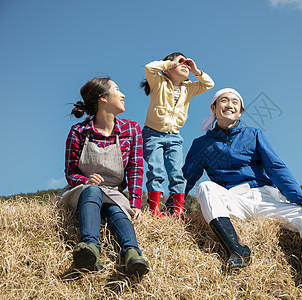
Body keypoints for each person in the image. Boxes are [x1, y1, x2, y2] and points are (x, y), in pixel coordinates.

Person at [182, 88, 302, 299]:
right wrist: (172, 207)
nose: (229, 105)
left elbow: (276, 167)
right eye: (224, 101)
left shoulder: (254, 134)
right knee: (205, 187)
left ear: (240, 112)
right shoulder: (201, 144)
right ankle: (237, 250)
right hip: (232, 200)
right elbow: (187, 178)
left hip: (264, 197)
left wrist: (300, 198)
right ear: (213, 108)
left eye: (235, 102)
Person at [57, 77, 149, 277]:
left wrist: (135, 204)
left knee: (116, 209)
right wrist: (85, 181)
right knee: (92, 190)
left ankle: (132, 254)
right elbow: (70, 172)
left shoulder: (131, 130)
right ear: (103, 98)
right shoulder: (79, 131)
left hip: (114, 193)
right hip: (82, 191)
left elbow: (135, 169)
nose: (123, 94)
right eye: (117, 89)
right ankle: (90, 248)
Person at [139, 52, 214, 218]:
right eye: (179, 62)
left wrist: (195, 70)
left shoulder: (189, 88)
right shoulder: (158, 82)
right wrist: (170, 63)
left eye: (185, 63)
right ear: (167, 68)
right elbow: (149, 68)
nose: (184, 65)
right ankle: (155, 211)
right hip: (153, 134)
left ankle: (177, 211)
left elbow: (209, 84)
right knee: (156, 171)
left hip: (174, 137)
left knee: (177, 174)